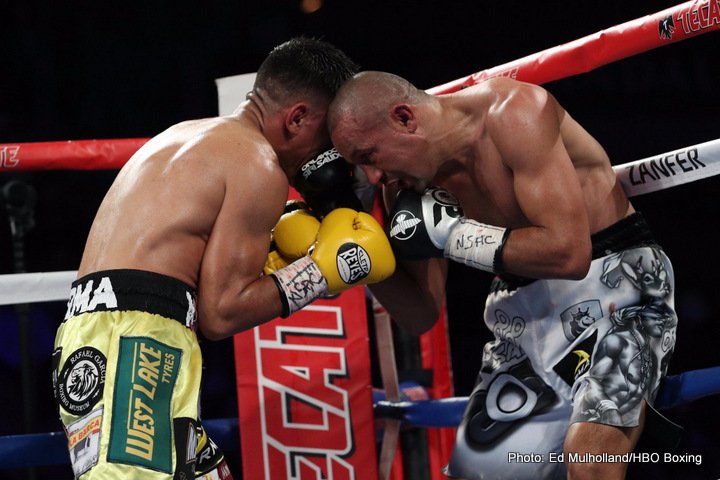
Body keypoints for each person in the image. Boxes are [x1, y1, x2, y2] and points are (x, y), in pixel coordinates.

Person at [52, 39, 396, 479]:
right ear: (297, 119)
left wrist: (272, 263)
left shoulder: (187, 134)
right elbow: (222, 311)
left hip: (105, 336)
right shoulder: (258, 163)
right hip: (137, 347)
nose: (327, 161)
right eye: (328, 142)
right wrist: (324, 271)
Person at [328, 71, 678, 480]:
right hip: (521, 314)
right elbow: (422, 314)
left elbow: (570, 252)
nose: (373, 177)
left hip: (618, 284)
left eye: (369, 157)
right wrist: (365, 264)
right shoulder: (402, 189)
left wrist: (454, 236)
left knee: (590, 461)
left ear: (405, 118)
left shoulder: (514, 114)